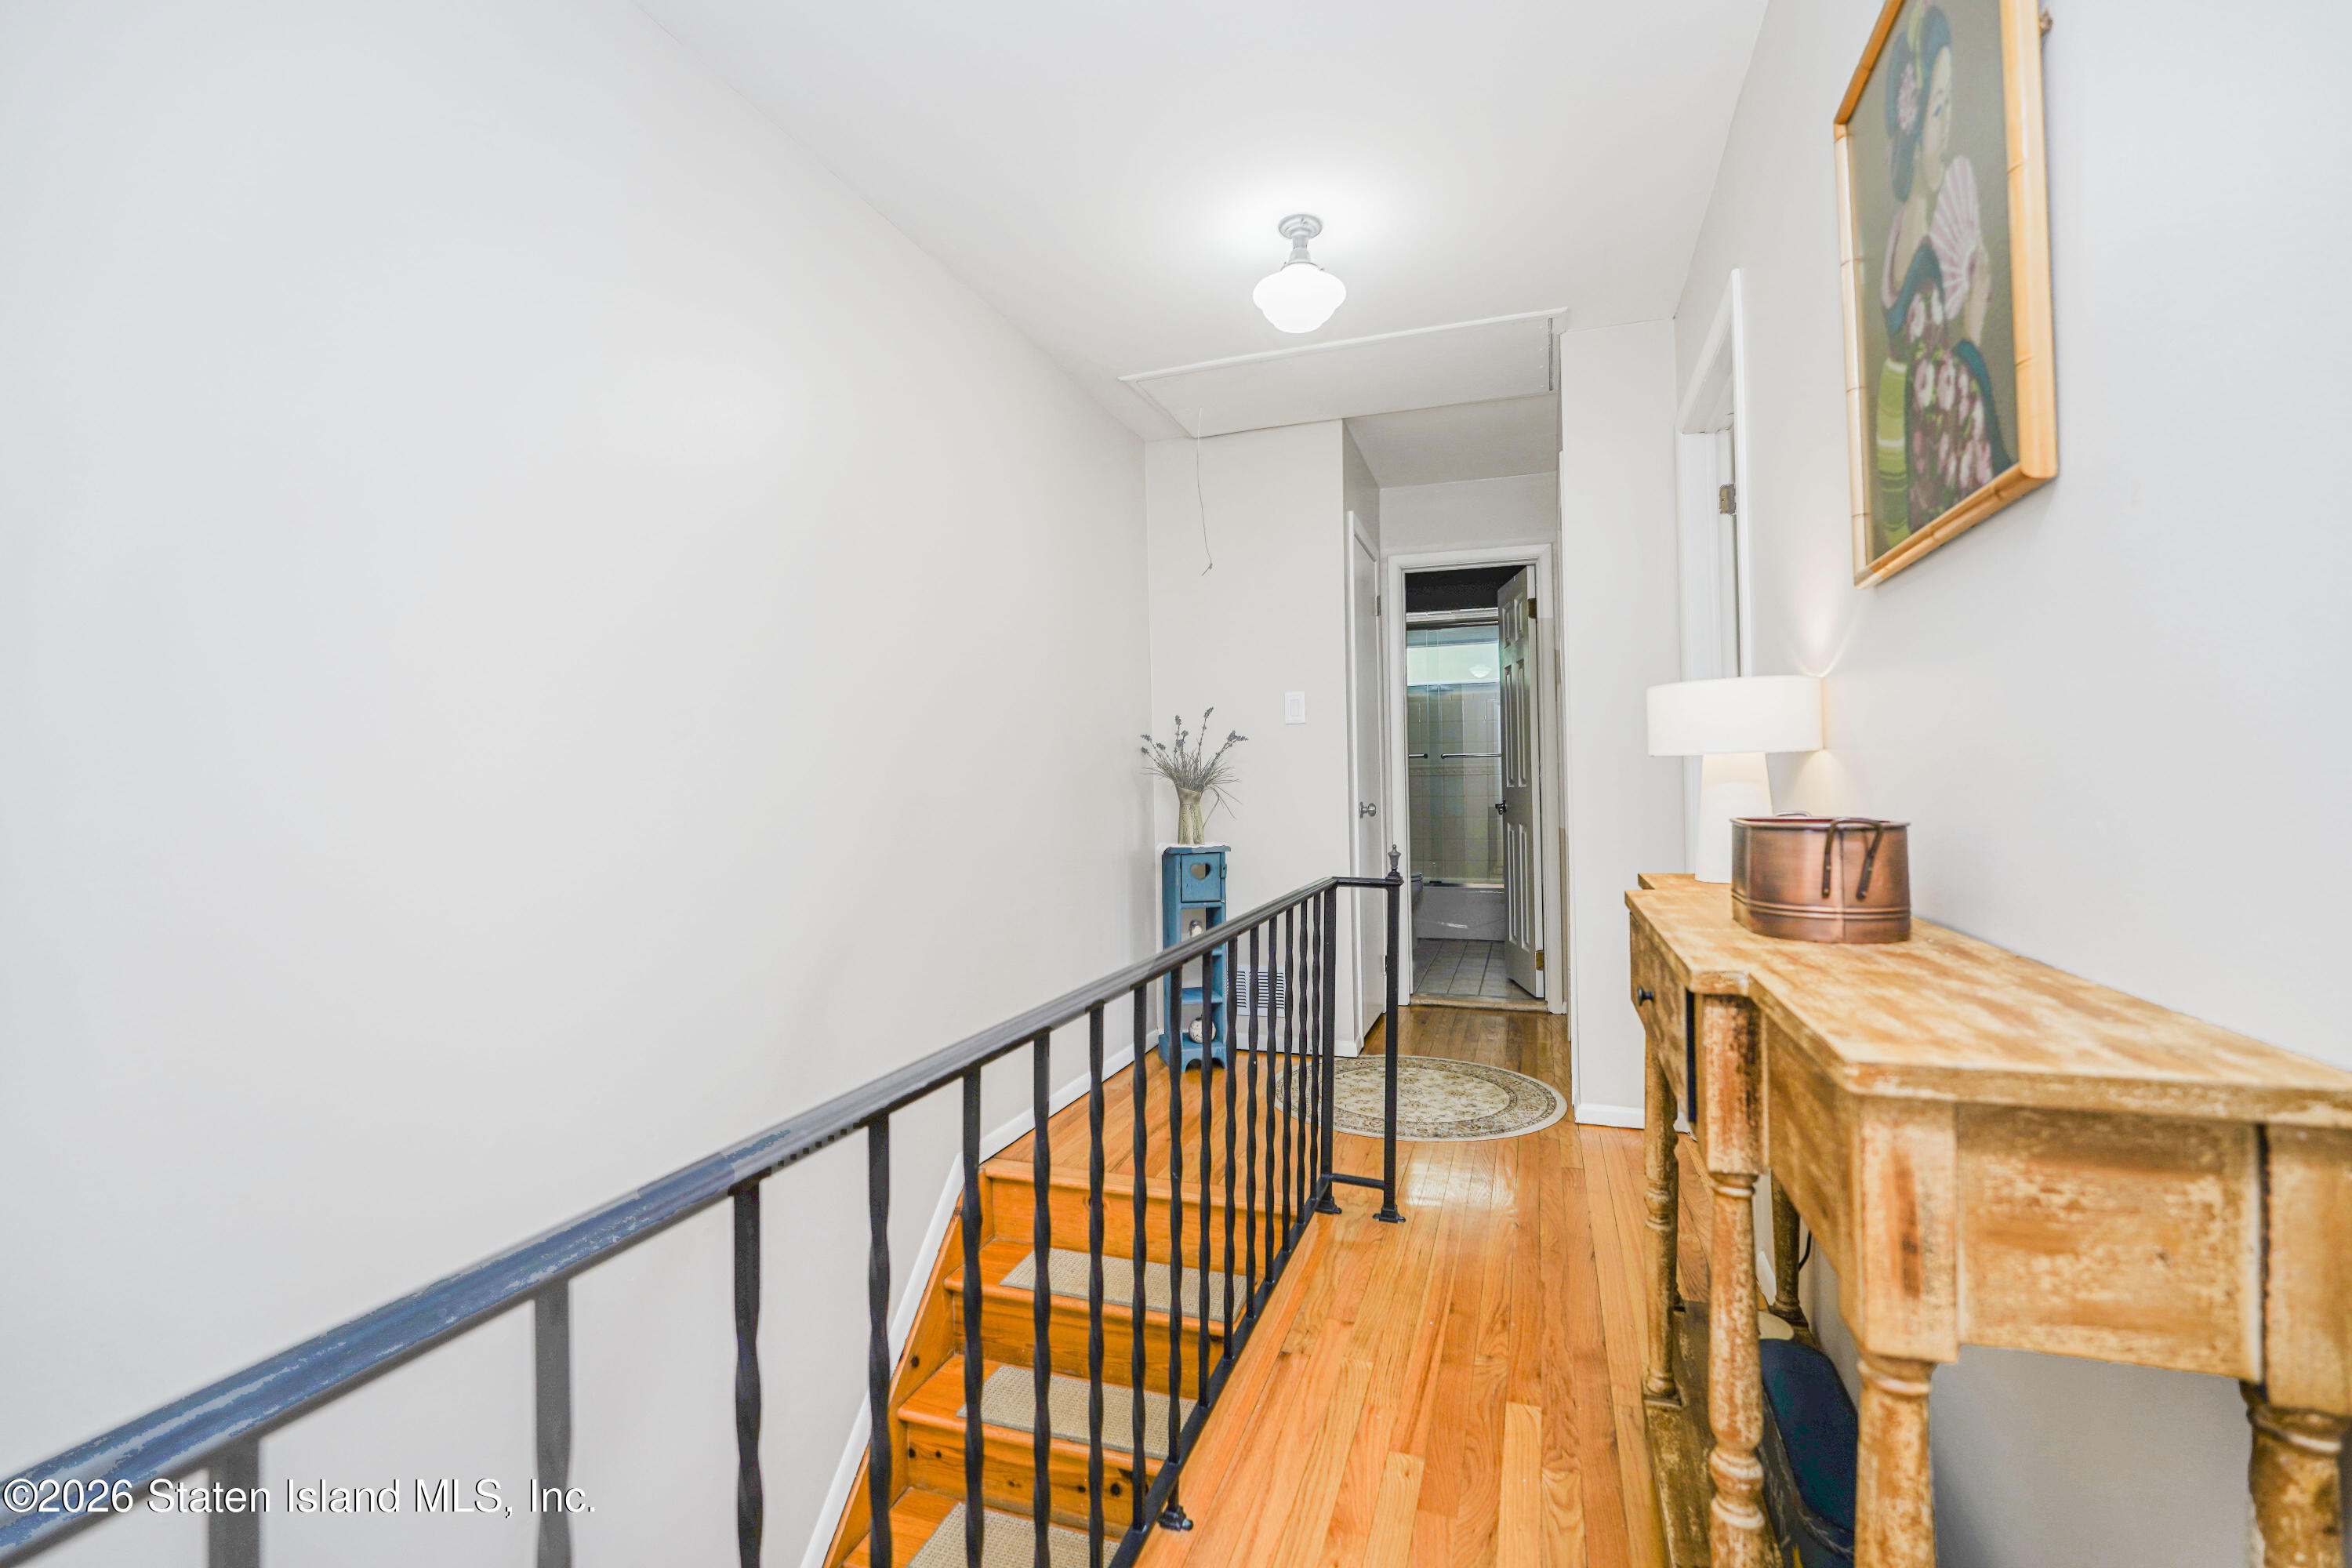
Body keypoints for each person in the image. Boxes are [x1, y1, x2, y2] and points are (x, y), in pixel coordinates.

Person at [1871, 4, 2010, 554]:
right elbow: (1939, 408)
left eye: (1950, 105)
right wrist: (1972, 333)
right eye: (1937, 108)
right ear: (1910, 126)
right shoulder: (1921, 257)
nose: (1947, 125)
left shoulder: (1902, 241)